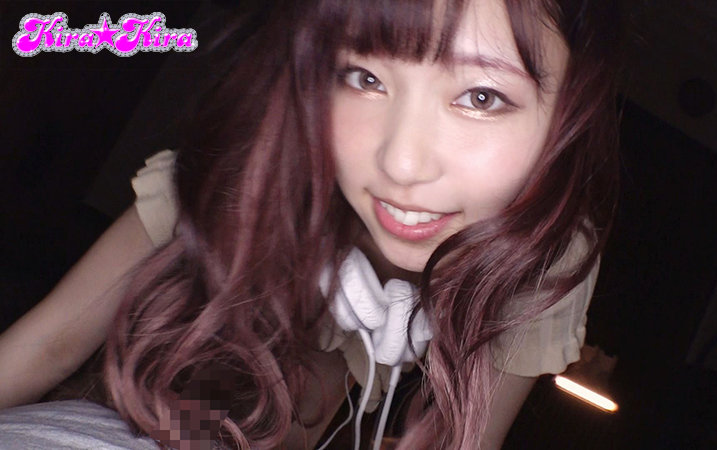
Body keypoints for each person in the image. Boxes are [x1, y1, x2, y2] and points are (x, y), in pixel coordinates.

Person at [0, 0, 620, 448]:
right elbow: (45, 347)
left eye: (481, 96)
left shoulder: (546, 254)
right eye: (365, 77)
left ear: (570, 114)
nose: (400, 164)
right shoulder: (239, 174)